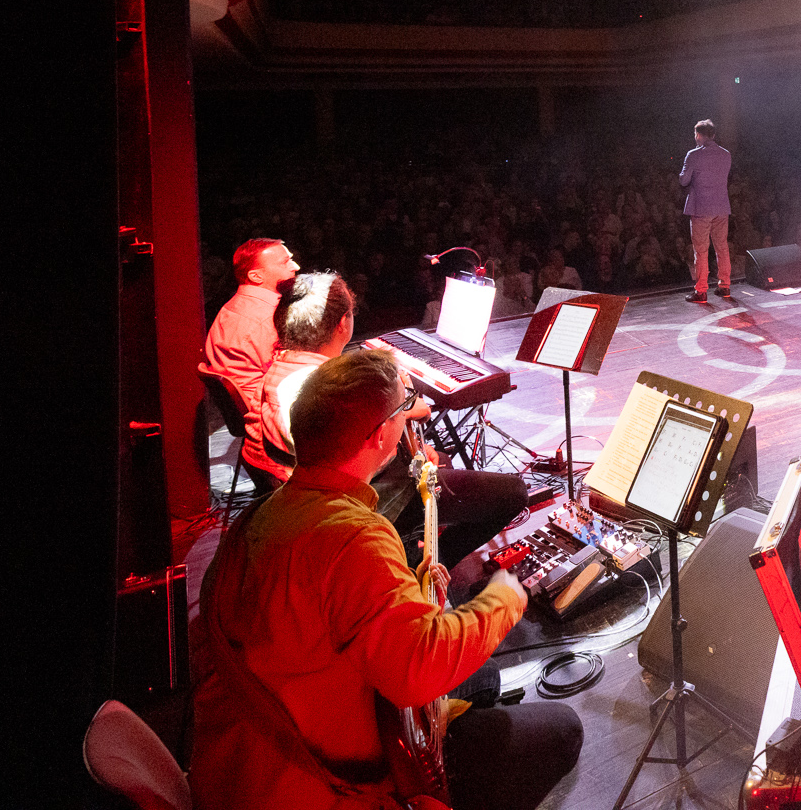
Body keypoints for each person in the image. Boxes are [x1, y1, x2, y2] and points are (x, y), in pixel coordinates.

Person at [193, 349, 582, 810]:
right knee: (563, 729)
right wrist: (505, 596)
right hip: (315, 781)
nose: (409, 417)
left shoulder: (265, 514)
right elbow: (418, 672)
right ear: (381, 435)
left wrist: (412, 590)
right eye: (404, 408)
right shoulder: (354, 536)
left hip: (241, 759)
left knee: (484, 677)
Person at [262, 272, 528, 569]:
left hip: (315, 501)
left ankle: (421, 541)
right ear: (342, 323)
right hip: (359, 507)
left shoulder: (280, 371)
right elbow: (371, 451)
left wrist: (414, 440)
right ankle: (421, 566)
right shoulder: (317, 391)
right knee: (514, 492)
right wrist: (405, 410)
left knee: (442, 459)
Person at [200, 238, 301, 483]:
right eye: (285, 262)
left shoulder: (233, 307)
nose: (296, 266)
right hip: (271, 427)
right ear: (256, 276)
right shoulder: (268, 318)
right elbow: (292, 379)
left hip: (251, 424)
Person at [679, 118, 733, 302]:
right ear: (714, 135)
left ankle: (701, 290)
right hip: (721, 207)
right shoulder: (726, 154)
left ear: (698, 135)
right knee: (722, 247)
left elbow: (684, 181)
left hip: (701, 208)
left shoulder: (693, 155)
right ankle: (724, 286)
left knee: (701, 250)